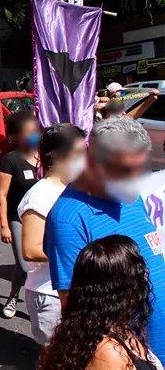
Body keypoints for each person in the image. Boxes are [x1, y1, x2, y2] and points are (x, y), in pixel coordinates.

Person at [44, 116, 165, 361]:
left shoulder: (127, 195)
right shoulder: (68, 220)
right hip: (137, 357)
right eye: (126, 171)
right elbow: (77, 314)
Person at [39, 235, 163, 370]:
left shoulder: (87, 329)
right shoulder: (109, 354)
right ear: (121, 288)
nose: (145, 274)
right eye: (138, 271)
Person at [17, 123, 86, 345]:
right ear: (57, 156)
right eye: (79, 153)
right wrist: (82, 257)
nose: (84, 159)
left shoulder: (74, 189)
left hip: (73, 289)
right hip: (49, 293)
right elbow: (30, 249)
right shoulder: (40, 195)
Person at [0, 110, 41, 318]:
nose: (34, 135)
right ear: (15, 137)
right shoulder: (10, 160)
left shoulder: (46, 156)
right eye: (28, 132)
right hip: (18, 219)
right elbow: (2, 196)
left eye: (35, 131)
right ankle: (13, 296)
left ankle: (40, 302)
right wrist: (4, 224)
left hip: (43, 220)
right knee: (24, 266)